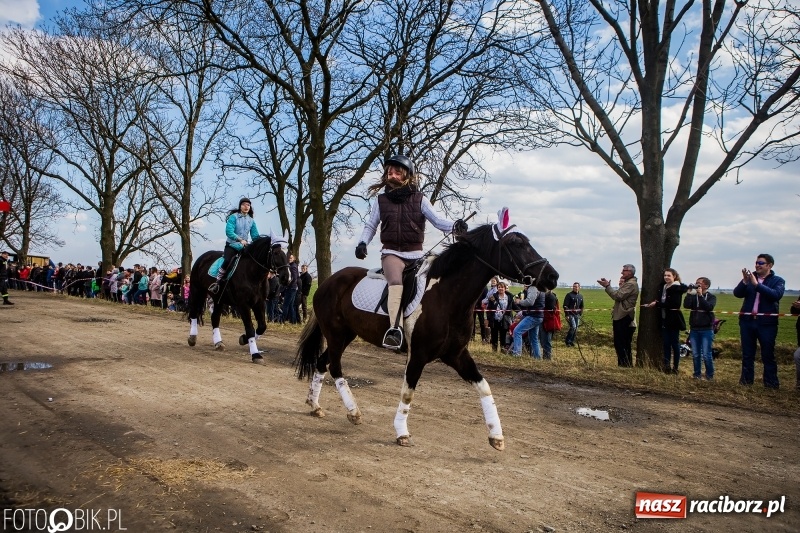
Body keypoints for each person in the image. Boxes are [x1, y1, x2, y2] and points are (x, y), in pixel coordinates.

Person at [355, 154, 467, 349]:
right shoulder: (381, 201)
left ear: (407, 175)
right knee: (396, 282)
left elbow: (438, 221)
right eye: (389, 171)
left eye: (397, 171)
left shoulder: (420, 199)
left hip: (417, 256)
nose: (392, 174)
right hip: (392, 254)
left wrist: (455, 226)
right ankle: (394, 330)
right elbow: (371, 226)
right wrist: (362, 242)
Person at [733, 254, 785, 388]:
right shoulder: (750, 279)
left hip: (767, 324)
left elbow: (775, 295)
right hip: (747, 321)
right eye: (756, 262)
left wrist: (757, 285)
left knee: (768, 354)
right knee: (747, 353)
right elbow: (737, 294)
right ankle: (746, 381)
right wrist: (745, 281)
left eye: (761, 263)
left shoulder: (778, 280)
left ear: (769, 265)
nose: (757, 265)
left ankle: (771, 384)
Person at [209, 198, 259, 294]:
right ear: (240, 206)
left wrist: (259, 244)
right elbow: (229, 231)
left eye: (248, 205)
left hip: (244, 247)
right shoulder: (233, 217)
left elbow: (255, 236)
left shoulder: (251, 221)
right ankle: (217, 282)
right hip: (232, 245)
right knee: (227, 260)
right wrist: (240, 239)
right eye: (244, 204)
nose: (246, 206)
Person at [645, 268, 688, 374]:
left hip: (673, 319)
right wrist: (657, 302)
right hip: (663, 318)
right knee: (666, 344)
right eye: (665, 276)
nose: (666, 277)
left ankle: (676, 367)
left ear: (674, 276)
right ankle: (667, 366)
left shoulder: (677, 288)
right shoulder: (663, 287)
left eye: (669, 275)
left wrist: (657, 304)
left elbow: (673, 304)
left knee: (675, 343)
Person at [597, 265, 639, 367]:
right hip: (623, 315)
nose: (621, 272)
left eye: (624, 271)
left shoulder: (631, 284)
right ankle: (625, 364)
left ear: (630, 272)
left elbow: (618, 296)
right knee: (623, 342)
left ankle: (624, 365)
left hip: (623, 316)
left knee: (620, 342)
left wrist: (607, 286)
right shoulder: (630, 283)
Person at [683, 277, 717, 380]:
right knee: (696, 354)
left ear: (706, 286)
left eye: (699, 283)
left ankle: (709, 376)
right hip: (694, 329)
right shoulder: (693, 297)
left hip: (706, 329)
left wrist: (701, 296)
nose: (697, 285)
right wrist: (689, 293)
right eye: (696, 283)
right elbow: (686, 305)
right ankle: (696, 375)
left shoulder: (712, 297)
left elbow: (709, 307)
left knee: (706, 354)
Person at [510, 281, 544, 358]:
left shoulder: (532, 288)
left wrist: (519, 302)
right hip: (538, 316)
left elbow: (530, 302)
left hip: (533, 316)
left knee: (517, 331)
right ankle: (537, 357)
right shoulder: (540, 289)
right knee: (534, 338)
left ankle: (517, 354)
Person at [483, 280, 516, 352]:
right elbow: (489, 309)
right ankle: (494, 351)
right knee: (494, 336)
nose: (500, 288)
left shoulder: (509, 297)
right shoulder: (492, 297)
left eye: (502, 287)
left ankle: (502, 350)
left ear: (505, 288)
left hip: (505, 319)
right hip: (495, 319)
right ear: (497, 288)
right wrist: (488, 319)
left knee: (503, 336)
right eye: (499, 287)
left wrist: (521, 311)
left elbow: (514, 306)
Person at [563, 282, 584, 347]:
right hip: (570, 315)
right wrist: (567, 315)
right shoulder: (569, 295)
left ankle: (572, 341)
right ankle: (567, 341)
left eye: (576, 286)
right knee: (573, 327)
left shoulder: (580, 296)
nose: (575, 287)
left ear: (579, 287)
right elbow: (565, 305)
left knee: (576, 328)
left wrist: (580, 313)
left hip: (577, 315)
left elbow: (582, 306)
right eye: (574, 286)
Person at [282, 254, 300, 324]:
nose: (289, 259)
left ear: (294, 259)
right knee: (290, 305)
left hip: (291, 288)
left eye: (291, 258)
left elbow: (294, 278)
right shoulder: (290, 266)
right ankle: (293, 321)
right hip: (293, 288)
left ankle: (283, 320)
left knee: (285, 305)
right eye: (289, 258)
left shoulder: (293, 266)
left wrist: (288, 285)